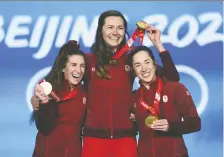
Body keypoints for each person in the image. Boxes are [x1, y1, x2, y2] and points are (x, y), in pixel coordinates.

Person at [31, 10, 180, 157]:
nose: (115, 32)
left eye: (120, 28)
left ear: (125, 32)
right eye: (110, 27)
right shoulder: (88, 61)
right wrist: (38, 99)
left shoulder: (131, 60)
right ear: (100, 30)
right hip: (93, 140)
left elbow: (172, 78)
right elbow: (57, 85)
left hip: (126, 139)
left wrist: (158, 44)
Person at [129, 46, 201, 157]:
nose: (143, 69)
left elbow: (195, 124)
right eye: (138, 65)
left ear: (154, 63)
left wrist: (170, 127)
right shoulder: (134, 97)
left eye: (147, 62)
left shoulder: (175, 89)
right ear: (133, 70)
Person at [31, 40, 87, 157]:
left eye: (82, 66)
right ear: (63, 68)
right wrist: (44, 102)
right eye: (74, 65)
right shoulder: (49, 91)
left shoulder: (85, 93)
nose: (79, 70)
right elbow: (44, 127)